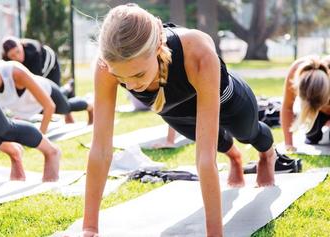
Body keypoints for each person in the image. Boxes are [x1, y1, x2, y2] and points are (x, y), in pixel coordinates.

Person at [82, 4, 276, 236]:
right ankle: (234, 157)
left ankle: (268, 155)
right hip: (175, 111)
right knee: (221, 144)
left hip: (228, 102)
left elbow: (205, 159)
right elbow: (101, 148)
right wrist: (89, 229)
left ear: (157, 47)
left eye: (138, 75)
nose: (131, 86)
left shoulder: (197, 51)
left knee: (249, 134)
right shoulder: (106, 64)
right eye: (121, 78)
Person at [0, 60, 93, 133]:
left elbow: (49, 106)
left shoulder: (15, 73)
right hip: (30, 105)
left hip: (48, 92)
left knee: (65, 108)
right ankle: (66, 88)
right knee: (63, 102)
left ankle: (90, 105)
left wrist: (41, 136)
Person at [281, 55, 330, 151]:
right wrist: (288, 144)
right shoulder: (297, 70)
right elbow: (287, 107)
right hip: (320, 115)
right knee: (312, 136)